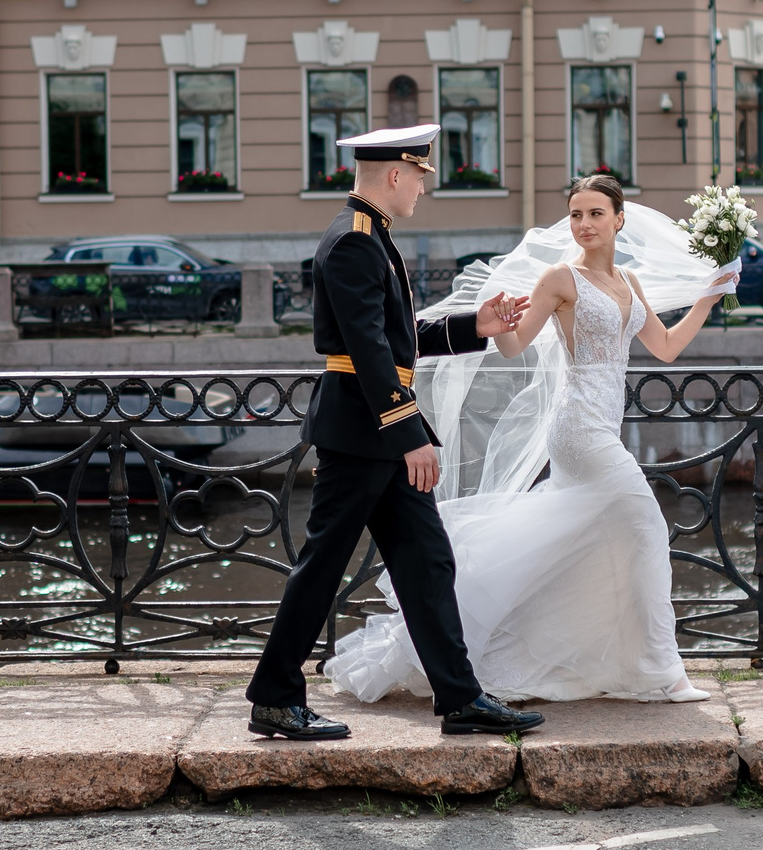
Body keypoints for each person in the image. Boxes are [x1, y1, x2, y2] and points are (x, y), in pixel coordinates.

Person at [325, 174, 738, 705]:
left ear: (619, 220)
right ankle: (665, 671)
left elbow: (665, 347)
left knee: (598, 544)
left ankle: (603, 661)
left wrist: (708, 298)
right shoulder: (560, 279)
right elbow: (516, 345)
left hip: (604, 424)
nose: (584, 224)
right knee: (646, 526)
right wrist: (497, 326)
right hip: (579, 428)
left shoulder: (630, 283)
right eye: (575, 214)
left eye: (595, 214)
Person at [246, 124, 543, 743]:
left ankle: (460, 699)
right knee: (323, 565)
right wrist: (409, 434)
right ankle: (274, 697)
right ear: (396, 174)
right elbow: (369, 351)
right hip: (364, 432)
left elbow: (400, 337)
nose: (422, 190)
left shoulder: (370, 235)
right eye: (420, 178)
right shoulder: (355, 241)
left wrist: (477, 325)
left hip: (375, 429)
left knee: (426, 561)